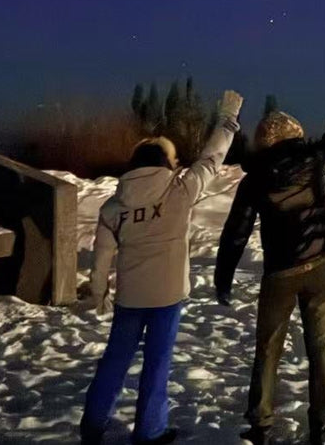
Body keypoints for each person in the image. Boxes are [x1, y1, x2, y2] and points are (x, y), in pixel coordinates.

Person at [82, 90, 242, 445]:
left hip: (130, 296)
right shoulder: (180, 191)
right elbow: (212, 159)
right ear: (164, 162)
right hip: (168, 295)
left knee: (115, 360)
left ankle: (93, 423)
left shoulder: (113, 206)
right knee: (157, 363)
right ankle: (150, 429)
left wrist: (99, 292)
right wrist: (228, 120)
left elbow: (102, 254)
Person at [214, 73, 325, 445]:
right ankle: (322, 420)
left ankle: (261, 421)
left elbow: (236, 231)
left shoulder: (255, 180)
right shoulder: (314, 160)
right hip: (318, 266)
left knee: (267, 348)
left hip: (279, 273)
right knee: (321, 346)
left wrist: (224, 276)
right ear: (294, 133)